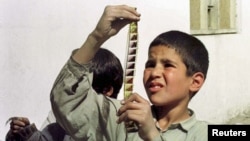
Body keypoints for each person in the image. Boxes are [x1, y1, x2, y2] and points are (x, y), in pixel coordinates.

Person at [50, 4, 209, 141]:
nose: (154, 73)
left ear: (195, 82)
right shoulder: (124, 115)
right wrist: (96, 37)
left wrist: (151, 135)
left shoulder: (206, 133)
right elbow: (65, 101)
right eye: (150, 64)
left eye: (168, 65)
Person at [5, 48, 124, 141]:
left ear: (107, 90)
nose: (74, 93)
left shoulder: (125, 124)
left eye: (83, 88)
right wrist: (24, 134)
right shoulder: (65, 120)